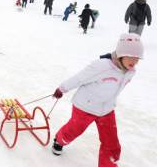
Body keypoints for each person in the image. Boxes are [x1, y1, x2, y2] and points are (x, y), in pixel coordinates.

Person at [51, 33, 143, 167]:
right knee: (74, 130)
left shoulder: (130, 71)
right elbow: (79, 78)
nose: (134, 62)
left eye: (137, 58)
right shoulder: (102, 66)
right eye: (131, 57)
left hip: (106, 109)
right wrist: (62, 89)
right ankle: (60, 140)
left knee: (111, 142)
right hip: (85, 107)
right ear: (120, 54)